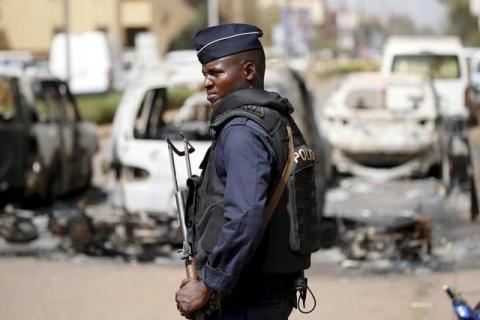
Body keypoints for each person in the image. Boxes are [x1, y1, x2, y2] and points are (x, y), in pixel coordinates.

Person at [175, 23, 318, 319]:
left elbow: (245, 216)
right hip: (259, 290)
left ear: (249, 71)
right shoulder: (272, 119)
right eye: (205, 74)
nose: (207, 83)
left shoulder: (243, 131)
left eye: (216, 72)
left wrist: (210, 282)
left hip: (248, 295)